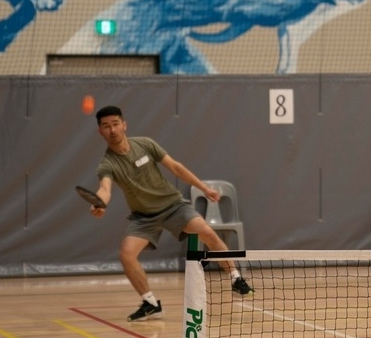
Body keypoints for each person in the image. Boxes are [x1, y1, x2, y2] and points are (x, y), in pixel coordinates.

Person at [91, 105, 251, 322]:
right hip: (143, 216)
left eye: (115, 124)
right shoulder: (107, 163)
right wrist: (101, 202)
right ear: (100, 131)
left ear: (124, 125)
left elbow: (175, 167)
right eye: (106, 126)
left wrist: (204, 188)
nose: (112, 130)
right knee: (126, 255)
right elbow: (105, 188)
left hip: (173, 205)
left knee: (208, 233)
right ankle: (150, 303)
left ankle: (235, 277)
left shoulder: (145, 144)